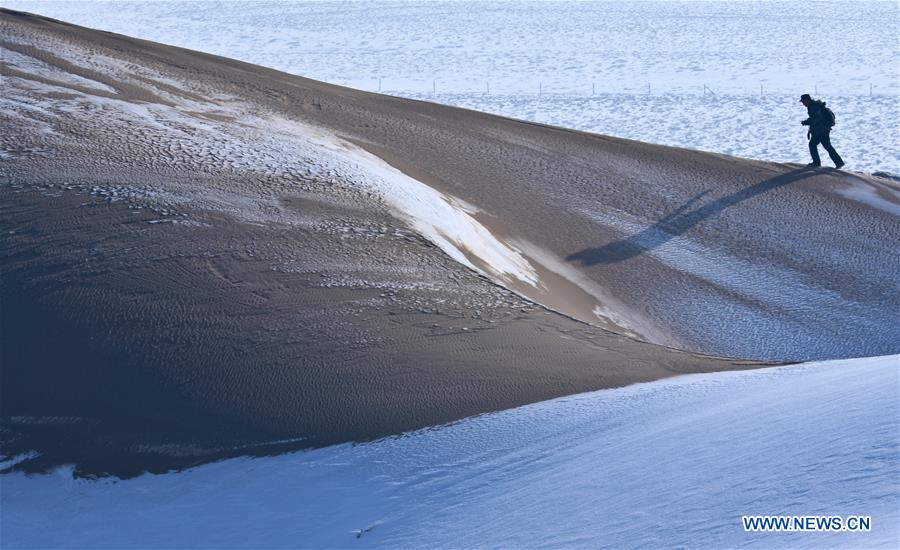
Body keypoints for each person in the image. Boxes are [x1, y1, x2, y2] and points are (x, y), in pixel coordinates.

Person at [800, 93, 844, 168]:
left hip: (821, 130)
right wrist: (808, 122)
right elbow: (815, 118)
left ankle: (817, 162)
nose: (803, 104)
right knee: (827, 146)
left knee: (812, 144)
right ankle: (839, 162)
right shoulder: (814, 106)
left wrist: (807, 122)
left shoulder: (813, 107)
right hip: (824, 129)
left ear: (807, 100)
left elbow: (816, 118)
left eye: (803, 101)